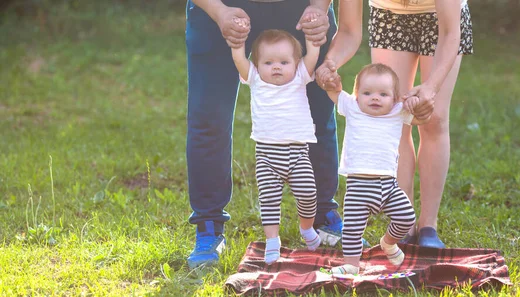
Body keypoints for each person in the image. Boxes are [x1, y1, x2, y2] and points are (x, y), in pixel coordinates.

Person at [185, 0, 345, 268]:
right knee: (209, 117)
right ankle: (208, 227)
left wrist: (318, 6)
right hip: (221, 6)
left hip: (299, 6)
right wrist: (218, 11)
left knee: (318, 111)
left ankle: (323, 213)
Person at [317, 0, 472, 248]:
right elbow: (349, 29)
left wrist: (431, 87)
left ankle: (429, 225)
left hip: (442, 21)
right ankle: (405, 224)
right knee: (393, 120)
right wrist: (330, 62)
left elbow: (450, 32)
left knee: (434, 118)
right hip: (389, 16)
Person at [324, 63, 433, 275]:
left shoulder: (398, 112)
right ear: (357, 95)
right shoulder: (352, 107)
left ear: (394, 98)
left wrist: (415, 103)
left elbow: (423, 119)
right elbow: (333, 92)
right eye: (367, 93)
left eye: (383, 94)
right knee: (352, 230)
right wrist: (332, 80)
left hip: (388, 185)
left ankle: (388, 243)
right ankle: (352, 265)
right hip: (358, 186)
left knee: (406, 217)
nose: (375, 98)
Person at [230, 27, 323, 264]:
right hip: (267, 156)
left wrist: (313, 40)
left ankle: (306, 228)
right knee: (269, 200)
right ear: (258, 65)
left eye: (284, 61)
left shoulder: (300, 77)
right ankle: (273, 240)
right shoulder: (255, 79)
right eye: (268, 62)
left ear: (296, 63)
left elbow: (312, 57)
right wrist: (238, 42)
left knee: (308, 194)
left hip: (298, 154)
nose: (276, 67)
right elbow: (240, 59)